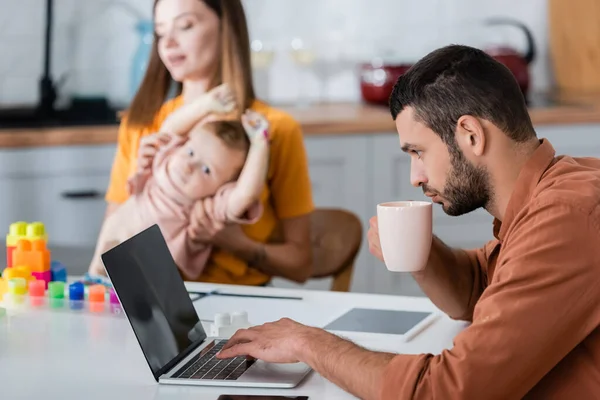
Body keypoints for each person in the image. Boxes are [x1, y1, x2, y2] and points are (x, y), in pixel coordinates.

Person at [216, 45, 600, 399]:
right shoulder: (555, 191)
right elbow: (481, 288)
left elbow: (444, 392)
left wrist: (307, 343)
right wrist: (421, 251)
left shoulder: (567, 217)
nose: (415, 177)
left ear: (470, 135)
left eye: (418, 151)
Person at [102, 0, 314, 285]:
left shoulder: (272, 130)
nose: (169, 43)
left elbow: (301, 265)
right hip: (157, 301)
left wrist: (236, 243)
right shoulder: (142, 126)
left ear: (226, 27)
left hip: (245, 309)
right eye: (161, 33)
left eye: (186, 26)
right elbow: (115, 237)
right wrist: (142, 179)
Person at [89, 83, 272, 279]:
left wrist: (260, 144)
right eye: (191, 152)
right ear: (183, 144)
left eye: (206, 169)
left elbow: (245, 195)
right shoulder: (165, 158)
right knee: (96, 279)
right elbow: (170, 127)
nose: (189, 166)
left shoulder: (204, 205)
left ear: (222, 188)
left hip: (148, 272)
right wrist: (207, 105)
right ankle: (93, 276)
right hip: (112, 240)